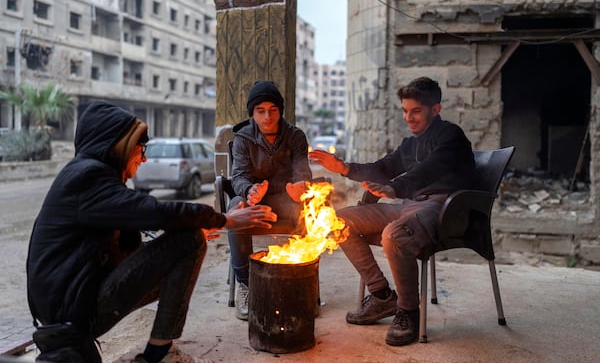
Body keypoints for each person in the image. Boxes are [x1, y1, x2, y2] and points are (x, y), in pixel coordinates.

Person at [26, 101, 277, 363]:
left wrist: (197, 228)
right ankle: (159, 354)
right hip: (70, 311)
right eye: (140, 148)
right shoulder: (87, 177)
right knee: (189, 240)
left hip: (74, 303)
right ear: (118, 146)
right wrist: (223, 220)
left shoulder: (92, 176)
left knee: (189, 240)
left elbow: (131, 240)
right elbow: (155, 211)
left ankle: (159, 350)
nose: (144, 158)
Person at [309, 76, 476, 346]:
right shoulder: (410, 144)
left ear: (436, 109)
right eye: (405, 111)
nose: (408, 118)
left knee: (394, 235)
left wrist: (395, 188)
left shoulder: (450, 136)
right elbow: (383, 168)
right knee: (339, 221)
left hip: (444, 209)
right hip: (410, 207)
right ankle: (382, 296)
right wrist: (344, 168)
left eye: (416, 111)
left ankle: (408, 311)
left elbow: (428, 169)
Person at [227, 80, 312, 320]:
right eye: (260, 111)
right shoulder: (243, 138)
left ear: (280, 111)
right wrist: (249, 190)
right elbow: (239, 176)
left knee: (312, 209)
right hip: (257, 202)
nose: (267, 117)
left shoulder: (295, 136)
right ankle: (246, 283)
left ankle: (304, 283)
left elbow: (303, 172)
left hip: (287, 202)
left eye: (272, 110)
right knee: (236, 208)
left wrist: (300, 188)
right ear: (252, 113)